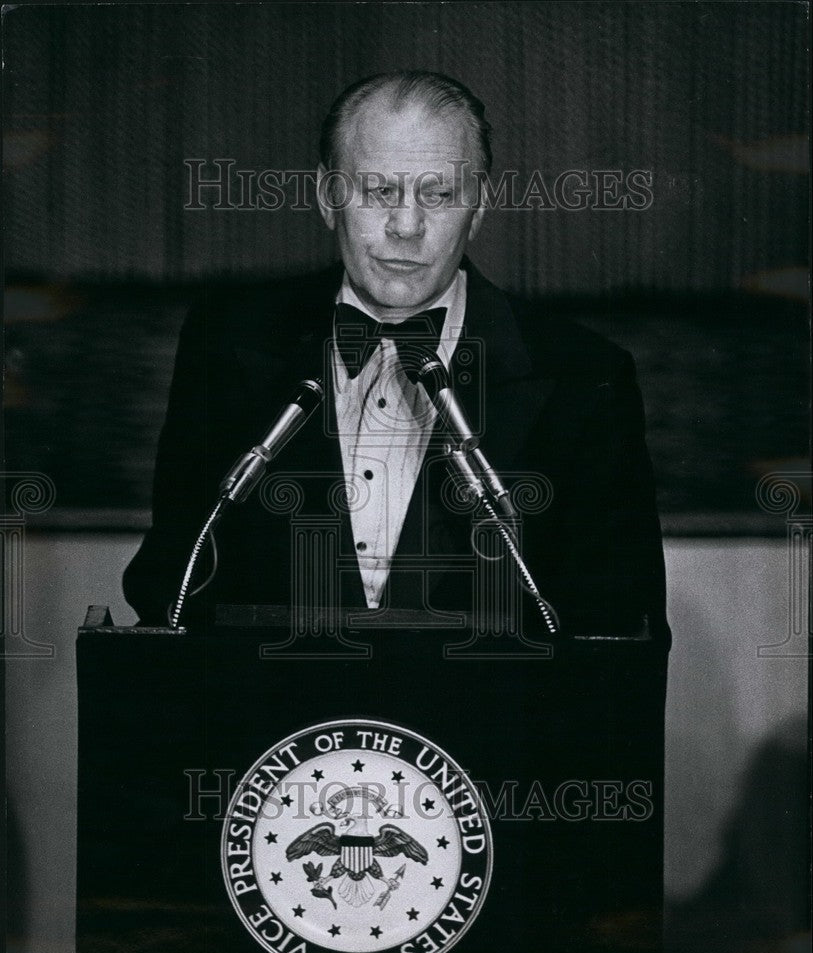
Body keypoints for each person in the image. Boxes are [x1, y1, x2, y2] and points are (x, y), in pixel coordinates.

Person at [124, 70, 669, 644]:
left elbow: (622, 630)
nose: (406, 226)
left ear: (479, 205)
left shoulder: (586, 376)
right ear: (328, 197)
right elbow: (171, 583)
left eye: (438, 195)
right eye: (379, 191)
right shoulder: (223, 341)